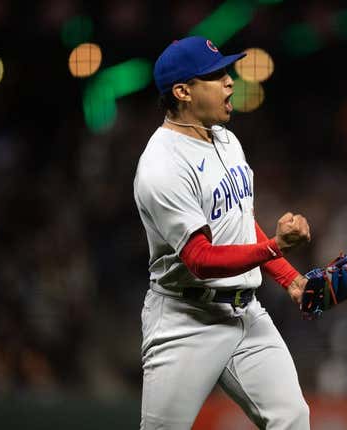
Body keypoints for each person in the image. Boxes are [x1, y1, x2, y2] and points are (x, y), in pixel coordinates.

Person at [133, 36, 312, 430]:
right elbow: (200, 259)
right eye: (216, 75)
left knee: (292, 417)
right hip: (186, 318)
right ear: (182, 91)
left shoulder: (226, 139)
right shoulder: (162, 165)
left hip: (245, 312)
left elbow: (239, 219)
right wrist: (275, 247)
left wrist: (290, 278)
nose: (229, 81)